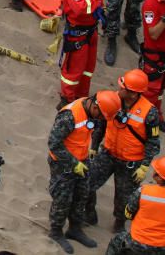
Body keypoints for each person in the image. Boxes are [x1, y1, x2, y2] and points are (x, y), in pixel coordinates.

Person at [47, 90, 123, 252]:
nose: (101, 119)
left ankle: (75, 228)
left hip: (82, 160)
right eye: (101, 115)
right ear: (95, 105)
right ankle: (56, 231)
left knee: (82, 195)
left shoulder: (92, 111)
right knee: (63, 199)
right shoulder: (69, 116)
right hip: (63, 164)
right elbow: (54, 144)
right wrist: (74, 163)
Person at [88, 70, 161, 233]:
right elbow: (101, 124)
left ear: (134, 94)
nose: (119, 89)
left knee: (124, 198)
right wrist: (94, 145)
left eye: (124, 88)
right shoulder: (112, 100)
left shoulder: (150, 112)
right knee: (87, 183)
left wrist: (144, 167)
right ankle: (89, 214)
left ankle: (119, 224)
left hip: (130, 163)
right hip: (107, 153)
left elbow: (153, 142)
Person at [58, 0, 105, 106]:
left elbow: (94, 4)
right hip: (77, 35)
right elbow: (79, 9)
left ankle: (81, 98)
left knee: (88, 69)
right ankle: (67, 100)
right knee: (73, 71)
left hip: (92, 31)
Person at [105, 155, 165, 255]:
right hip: (162, 247)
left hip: (138, 242)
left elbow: (129, 212)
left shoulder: (144, 191)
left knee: (116, 241)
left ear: (158, 176)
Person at [140, 0, 165, 113]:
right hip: (154, 56)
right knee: (151, 91)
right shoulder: (150, 5)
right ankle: (146, 119)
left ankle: (157, 114)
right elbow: (153, 34)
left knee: (160, 89)